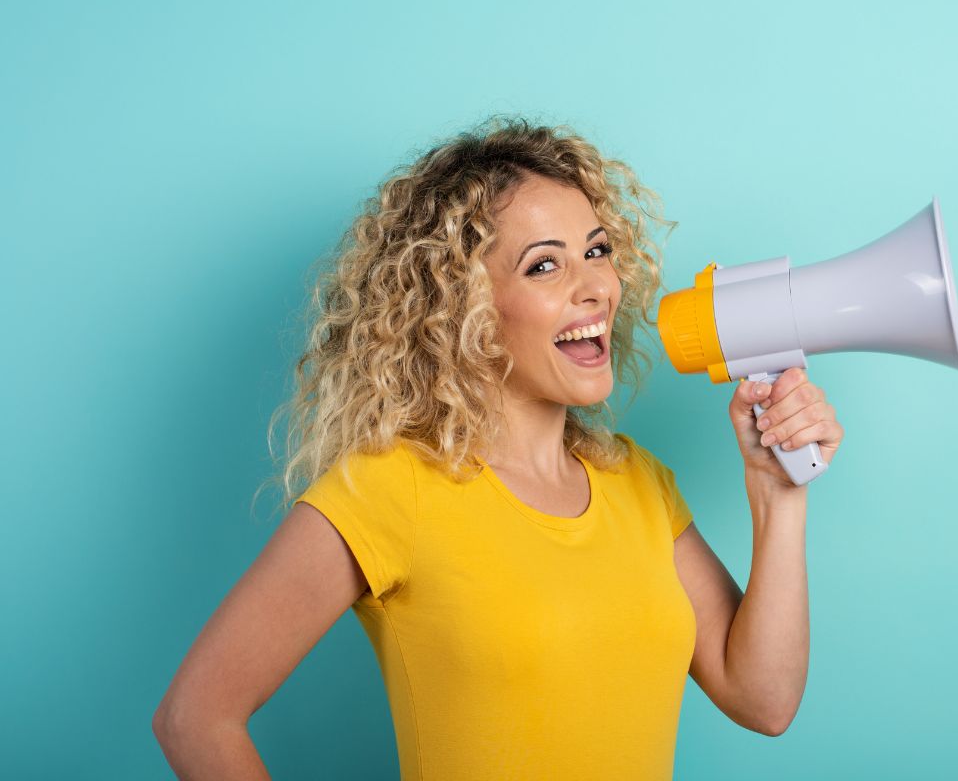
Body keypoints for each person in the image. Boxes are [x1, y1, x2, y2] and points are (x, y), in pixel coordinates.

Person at [151, 116, 843, 780]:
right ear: (465, 309)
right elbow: (196, 717)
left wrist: (779, 495)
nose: (595, 286)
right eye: (545, 266)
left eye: (597, 251)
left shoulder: (638, 483)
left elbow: (763, 700)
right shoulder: (392, 488)